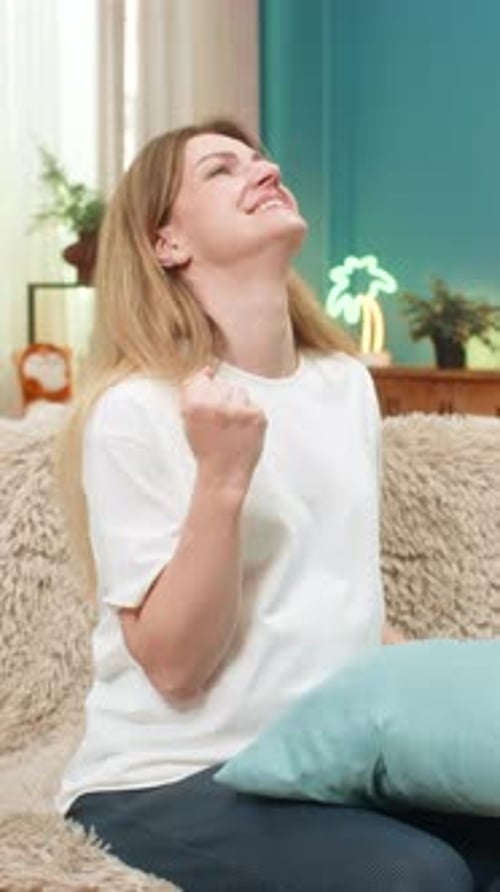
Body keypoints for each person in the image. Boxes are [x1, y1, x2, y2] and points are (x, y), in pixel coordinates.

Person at [56, 118, 497, 891]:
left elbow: (332, 595)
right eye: (221, 170)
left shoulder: (343, 384)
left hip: (320, 764)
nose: (264, 170)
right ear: (167, 243)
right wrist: (223, 479)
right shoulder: (136, 409)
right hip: (170, 777)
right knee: (418, 879)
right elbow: (175, 667)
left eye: (259, 160)